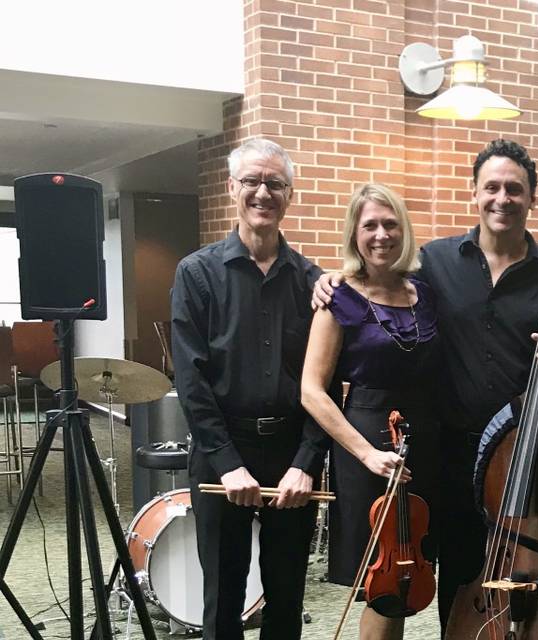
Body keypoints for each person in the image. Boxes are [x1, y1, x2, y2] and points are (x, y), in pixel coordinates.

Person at [314, 139, 538, 635]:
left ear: (531, 197)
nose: (502, 198)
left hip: (531, 453)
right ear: (474, 193)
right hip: (452, 453)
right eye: (492, 187)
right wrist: (332, 279)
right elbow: (378, 278)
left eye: (515, 189)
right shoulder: (435, 263)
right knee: (460, 577)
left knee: (536, 572)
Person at [171, 138, 327, 639]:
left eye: (275, 184)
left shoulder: (313, 282)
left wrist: (305, 463)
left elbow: (326, 382)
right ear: (232, 187)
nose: (264, 192)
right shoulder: (196, 273)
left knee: (286, 600)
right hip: (224, 449)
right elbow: (191, 380)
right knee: (223, 598)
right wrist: (225, 460)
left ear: (290, 195)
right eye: (253, 182)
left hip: (290, 454)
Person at [301, 183, 441, 639]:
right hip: (366, 443)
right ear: (354, 235)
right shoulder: (337, 297)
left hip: (422, 440)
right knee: (380, 584)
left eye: (390, 223)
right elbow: (312, 391)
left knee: (408, 577)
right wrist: (366, 454)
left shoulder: (424, 292)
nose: (381, 234)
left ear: (404, 230)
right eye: (370, 226)